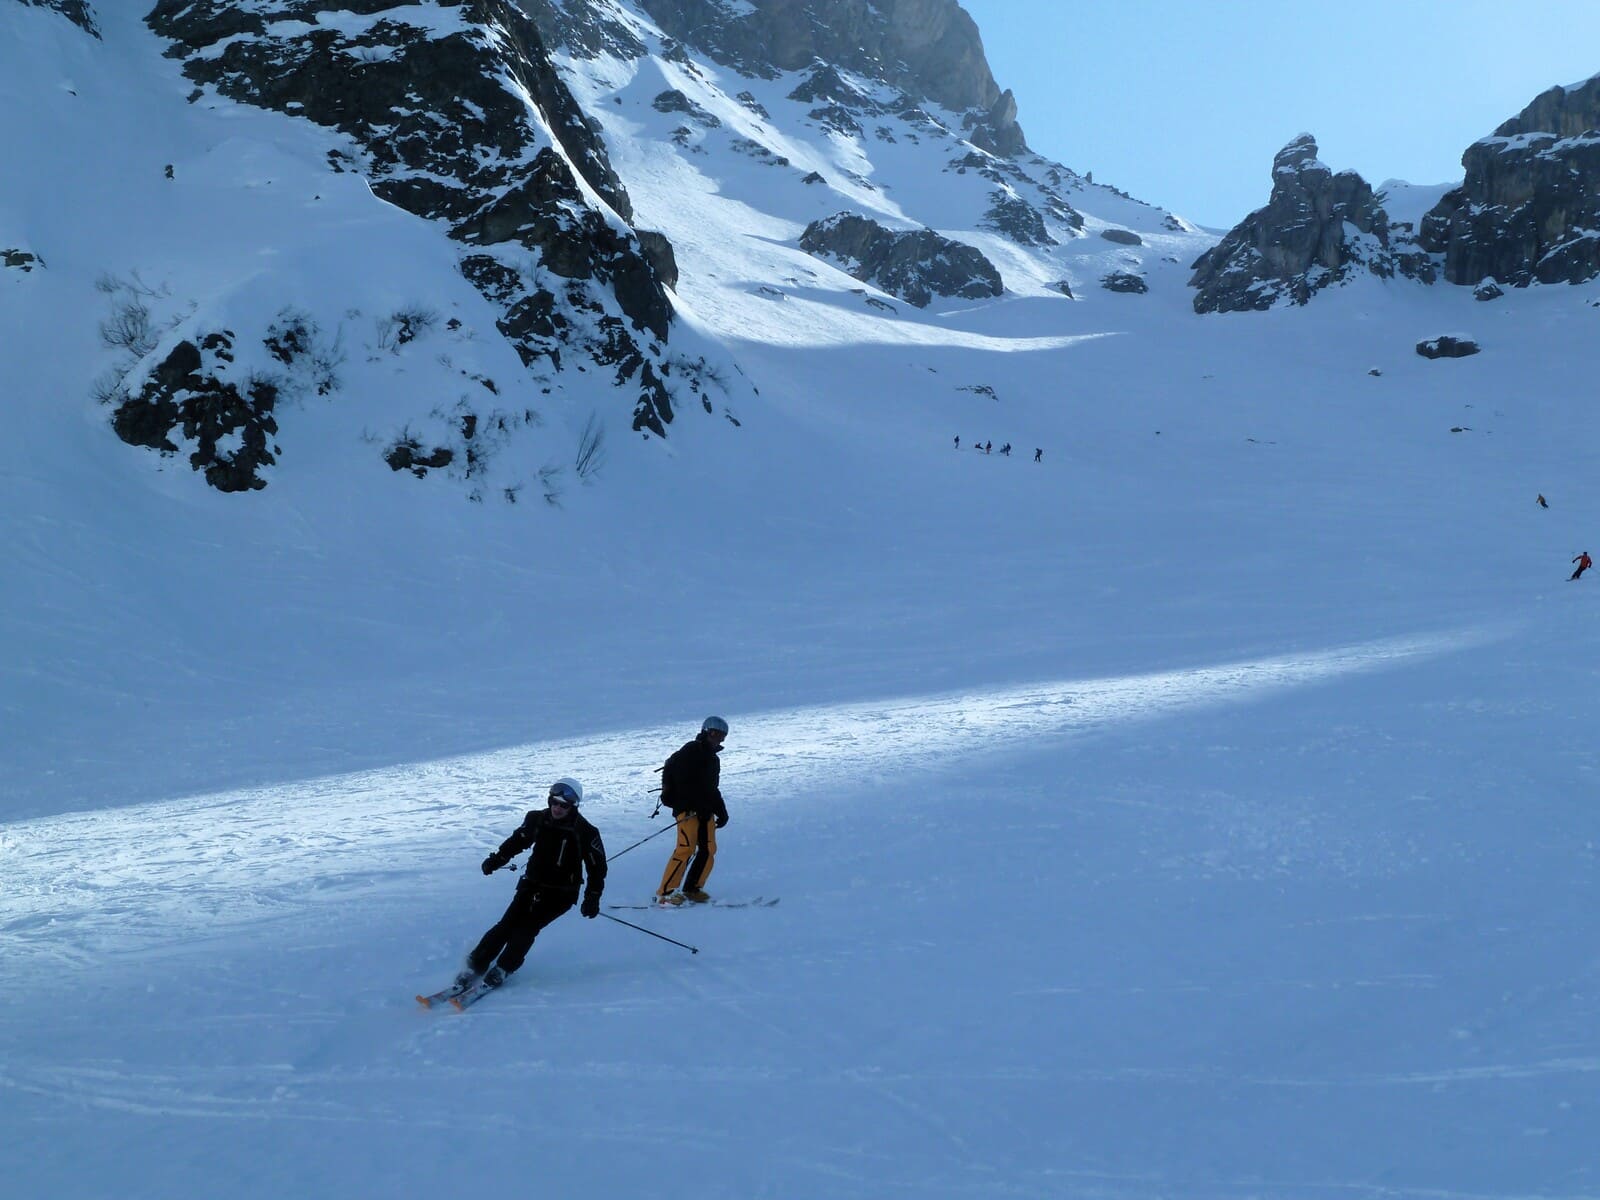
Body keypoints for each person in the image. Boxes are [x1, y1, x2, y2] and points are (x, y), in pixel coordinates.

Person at [457, 777, 606, 989]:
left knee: (526, 928)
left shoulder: (586, 832)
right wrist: (497, 859)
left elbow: (597, 868)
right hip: (532, 884)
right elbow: (518, 840)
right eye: (554, 802)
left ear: (573, 806)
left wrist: (592, 896)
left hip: (561, 893)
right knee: (506, 925)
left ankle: (503, 968)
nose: (558, 808)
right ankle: (474, 966)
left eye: (564, 805)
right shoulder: (537, 819)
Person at [656, 716, 730, 905]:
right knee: (685, 849)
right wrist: (696, 806)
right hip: (688, 810)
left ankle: (693, 889)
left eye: (722, 736)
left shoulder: (713, 759)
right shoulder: (691, 750)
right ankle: (666, 893)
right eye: (714, 733)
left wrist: (721, 811)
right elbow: (684, 783)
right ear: (706, 732)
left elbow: (712, 789)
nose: (718, 738)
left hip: (705, 812)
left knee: (709, 849)